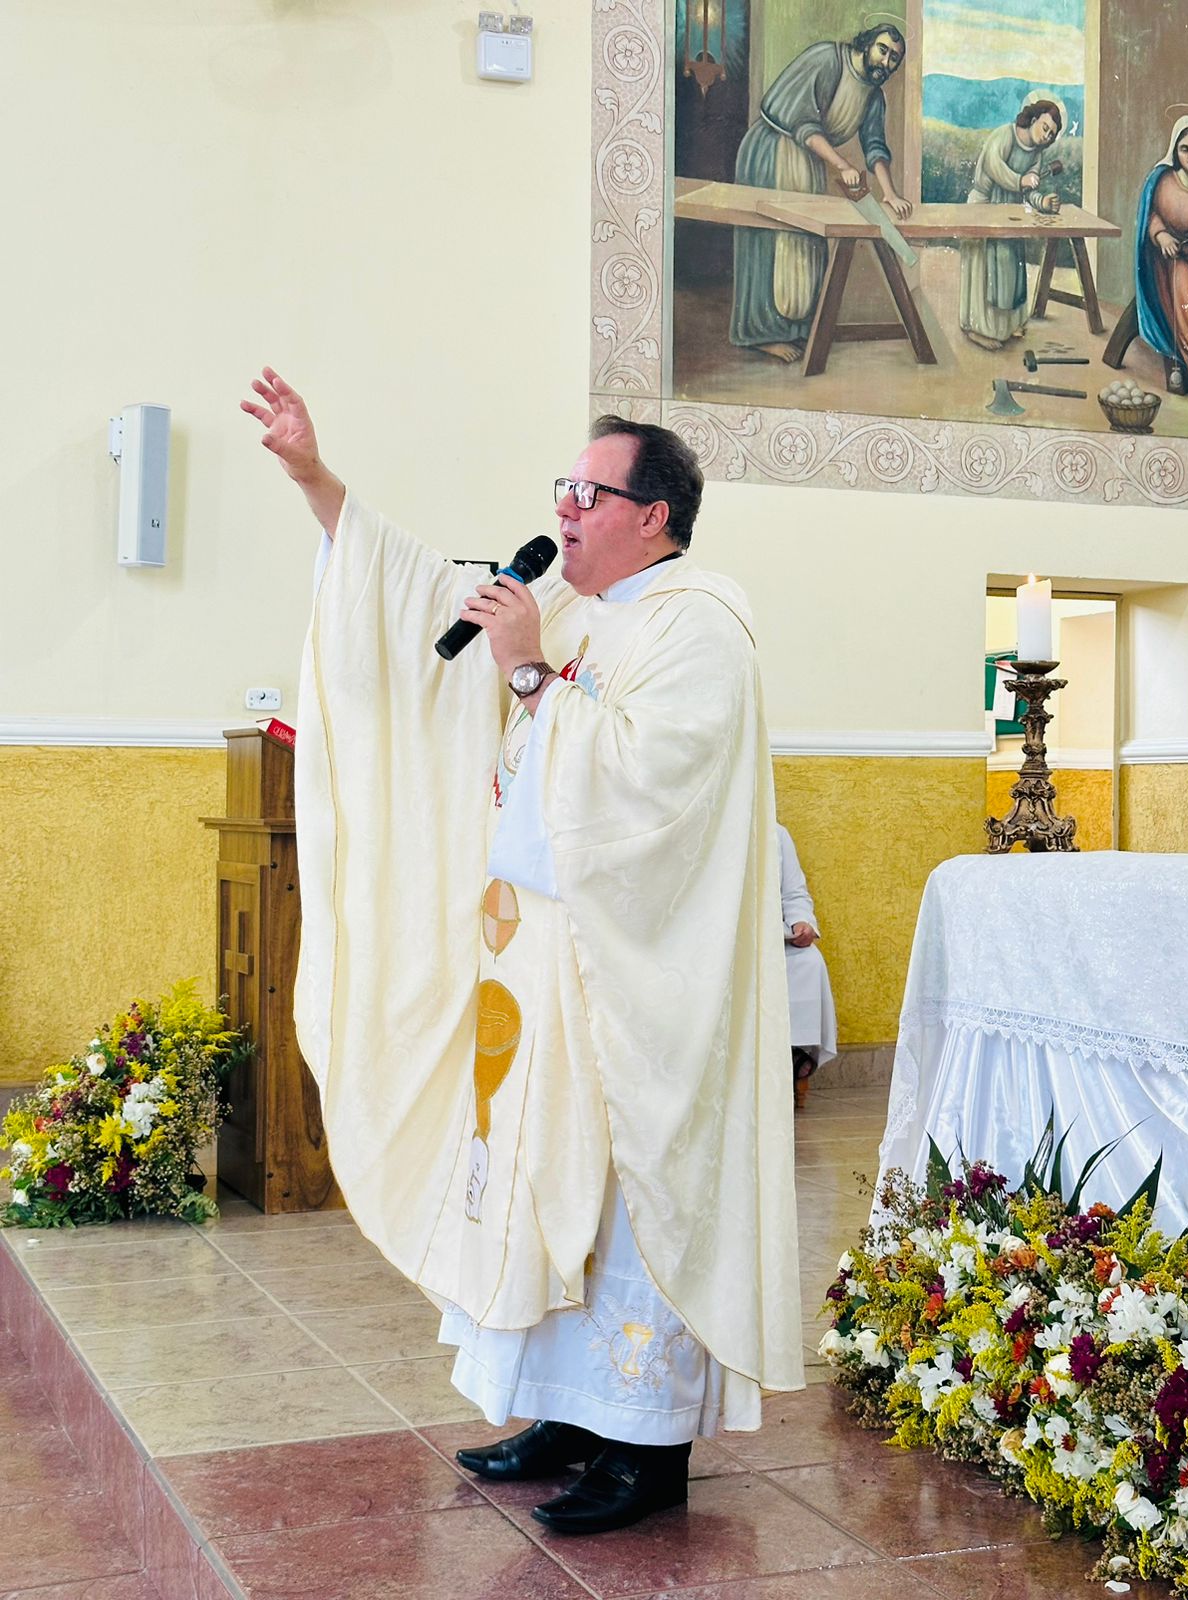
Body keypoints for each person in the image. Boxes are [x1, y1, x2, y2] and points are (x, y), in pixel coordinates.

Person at [241, 369, 804, 1535]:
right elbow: (411, 591)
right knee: (544, 1194)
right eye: (565, 487)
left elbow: (647, 793)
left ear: (654, 515)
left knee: (625, 1201)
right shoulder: (571, 606)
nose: (566, 509)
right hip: (537, 968)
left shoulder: (701, 625)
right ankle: (565, 1411)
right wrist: (313, 476)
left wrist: (533, 673)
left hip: (635, 984)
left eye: (590, 493)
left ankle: (643, 1447)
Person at [730, 24, 911, 363]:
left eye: (894, 59)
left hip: (810, 162)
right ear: (867, 43)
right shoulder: (828, 59)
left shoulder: (873, 94)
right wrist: (842, 164)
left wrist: (890, 193)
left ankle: (796, 329)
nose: (887, 62)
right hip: (773, 152)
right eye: (883, 50)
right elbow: (800, 121)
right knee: (770, 243)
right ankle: (760, 334)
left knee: (807, 245)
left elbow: (874, 146)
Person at [959, 98, 1063, 352]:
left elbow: (1029, 189)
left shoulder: (1036, 154)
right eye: (1045, 127)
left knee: (1011, 269)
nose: (1046, 135)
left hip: (1010, 211)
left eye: (1051, 134)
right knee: (984, 269)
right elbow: (993, 166)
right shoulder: (1005, 136)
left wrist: (1042, 201)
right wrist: (1020, 181)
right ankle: (977, 329)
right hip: (984, 207)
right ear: (1034, 119)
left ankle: (1009, 325)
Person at [1135, 116, 1188, 394]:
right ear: (1176, 151)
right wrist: (1161, 235)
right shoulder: (1162, 181)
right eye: (1185, 149)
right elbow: (1150, 216)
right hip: (1167, 256)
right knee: (1184, 289)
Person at [777, 823, 837, 1107]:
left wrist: (801, 922)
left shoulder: (776, 833)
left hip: (772, 937)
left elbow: (794, 894)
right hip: (723, 940)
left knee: (809, 962)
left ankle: (792, 1056)